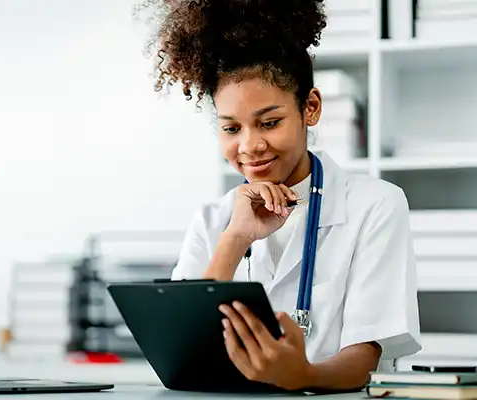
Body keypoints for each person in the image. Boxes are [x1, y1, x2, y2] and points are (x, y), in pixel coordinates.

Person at [136, 0, 422, 394]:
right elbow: (183, 353)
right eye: (231, 128)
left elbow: (365, 358)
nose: (250, 146)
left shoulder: (375, 205)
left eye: (269, 122)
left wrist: (302, 376)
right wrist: (234, 239)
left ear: (311, 108)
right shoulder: (213, 220)